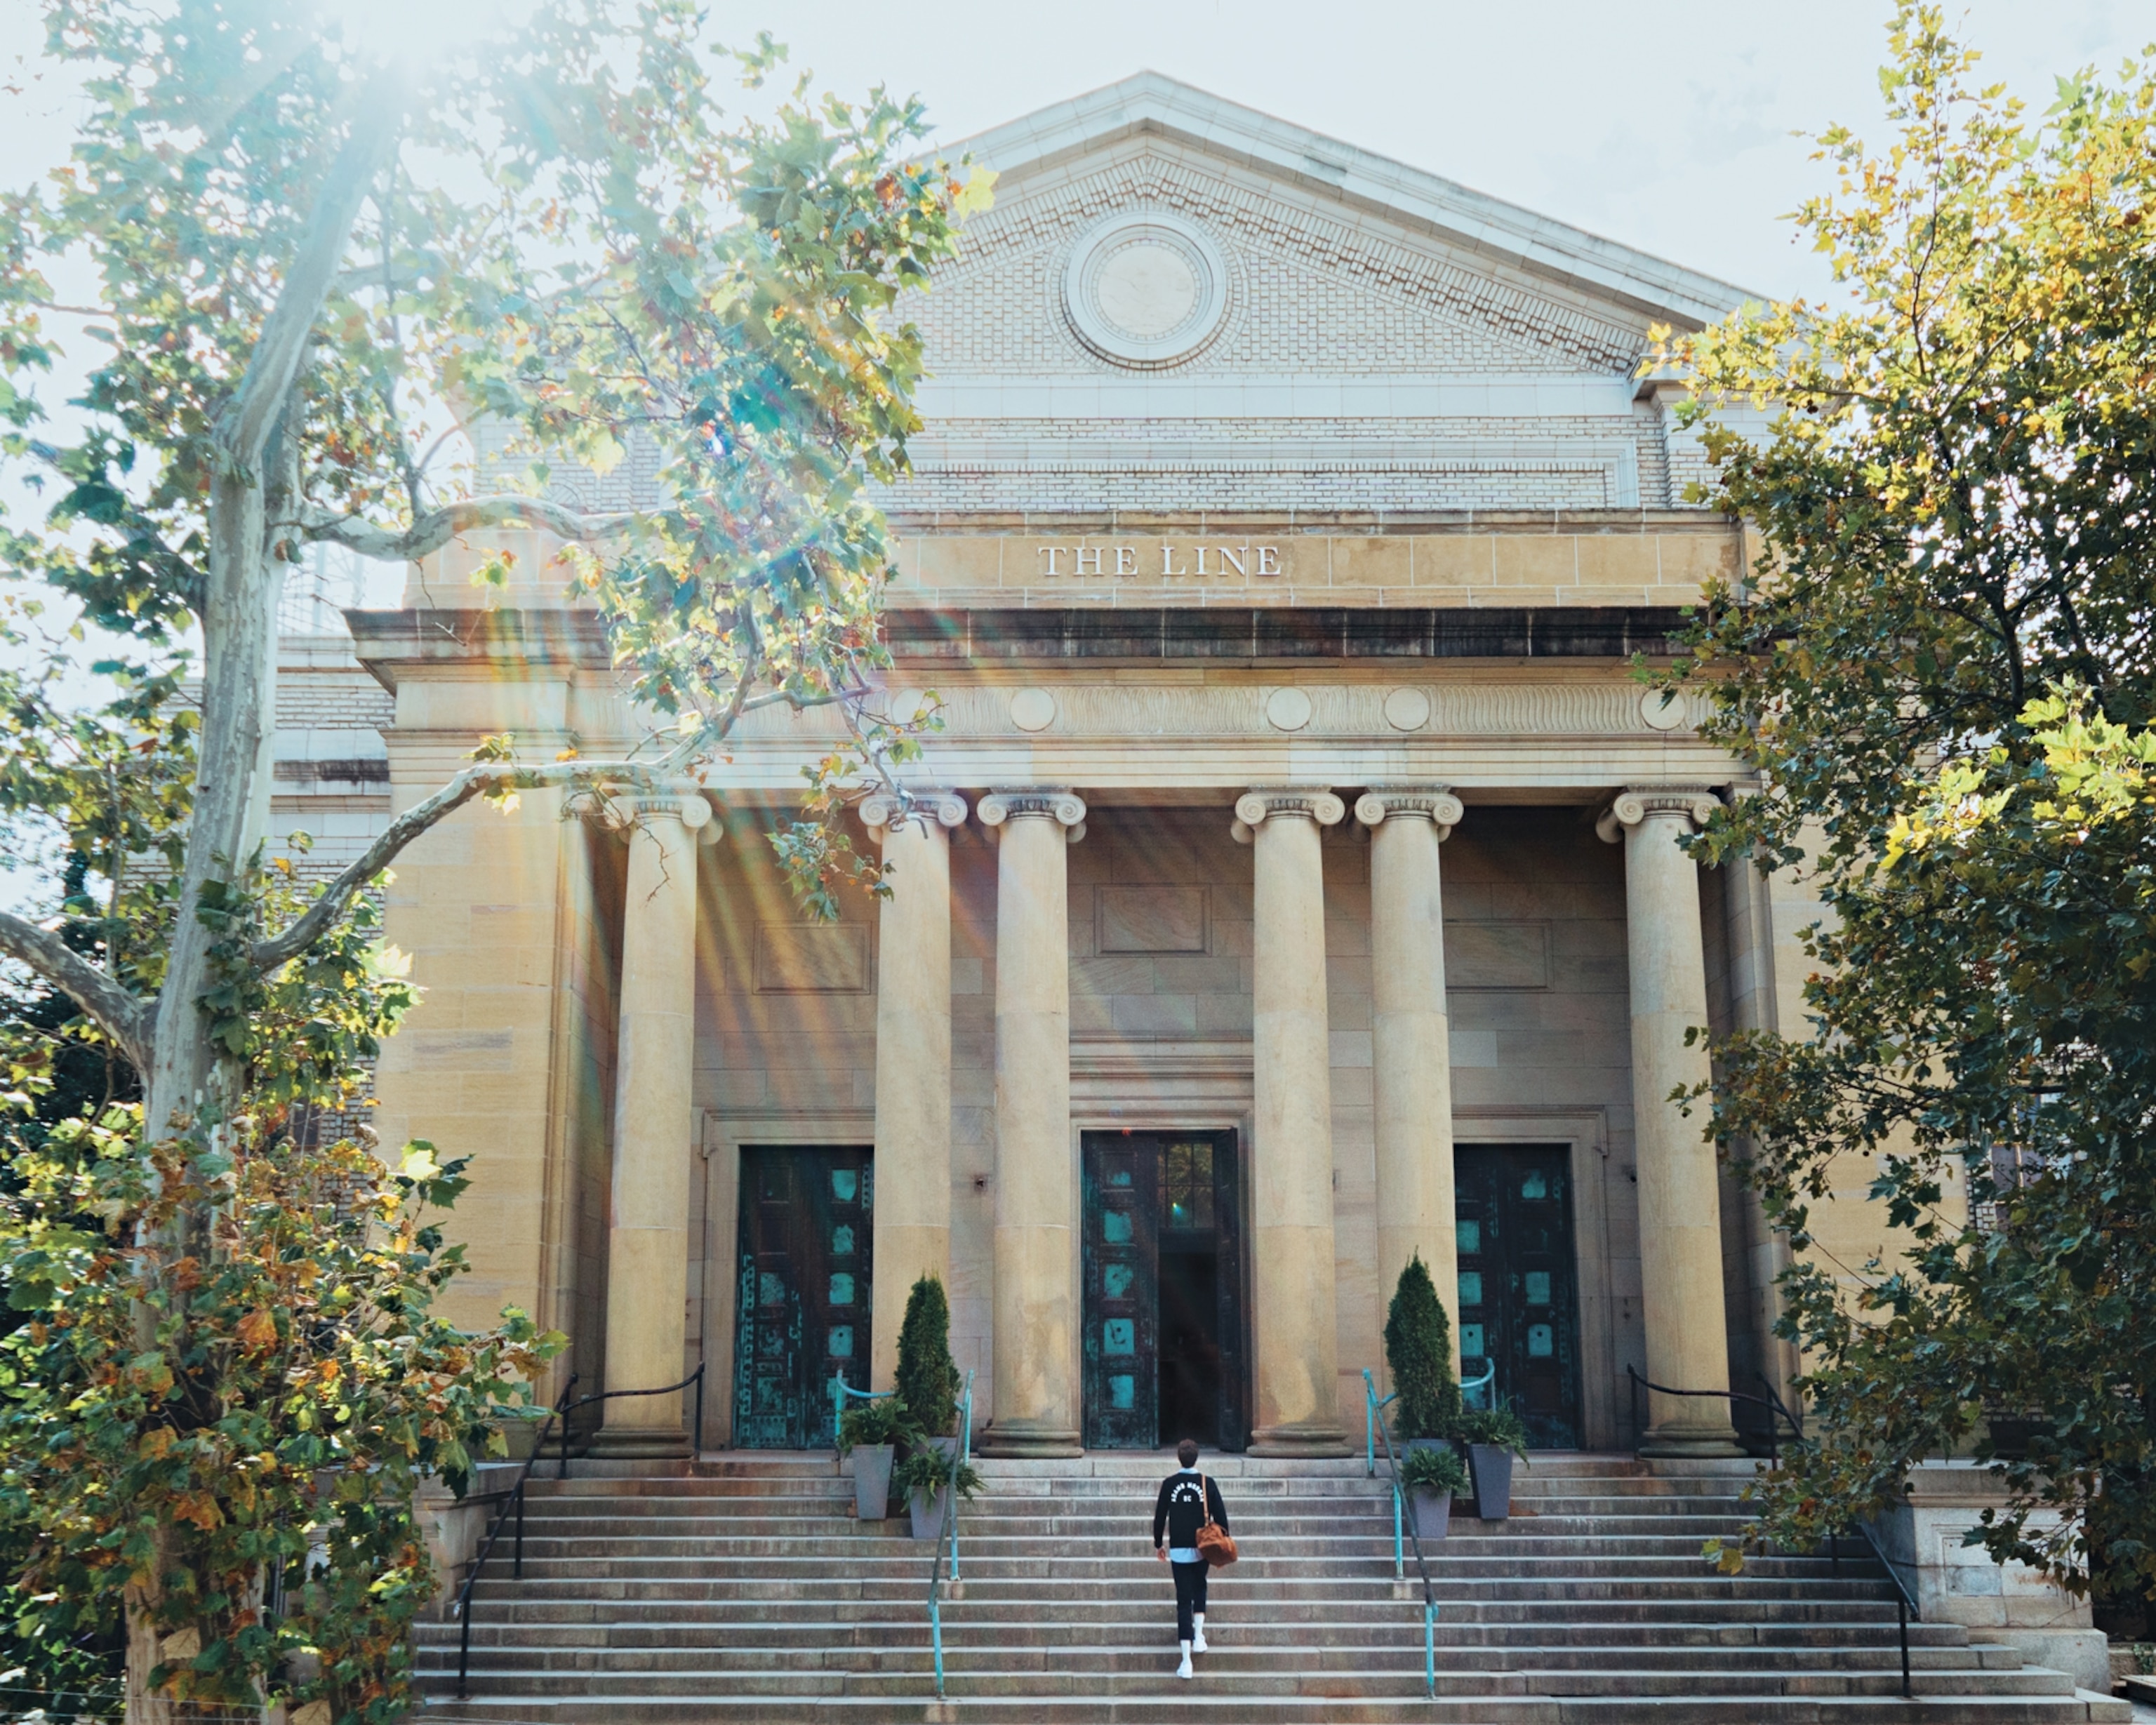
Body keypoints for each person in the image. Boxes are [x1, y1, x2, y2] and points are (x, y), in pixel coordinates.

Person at [1151, 1437, 1230, 1680]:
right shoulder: (1207, 1483)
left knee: (1183, 1602)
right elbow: (1222, 1519)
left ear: (1179, 1457)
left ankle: (1186, 1663)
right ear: (1197, 1457)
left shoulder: (1169, 1484)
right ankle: (1199, 1637)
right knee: (1200, 1588)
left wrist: (1158, 1544)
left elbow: (1159, 1518)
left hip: (1179, 1549)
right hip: (1202, 1548)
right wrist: (1222, 1542)